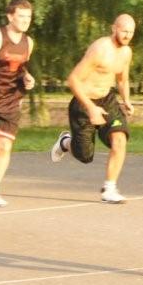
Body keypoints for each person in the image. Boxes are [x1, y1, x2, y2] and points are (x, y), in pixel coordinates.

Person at [49, 14, 135, 204]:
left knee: (120, 140)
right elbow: (73, 79)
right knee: (84, 155)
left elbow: (122, 79)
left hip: (107, 99)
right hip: (84, 102)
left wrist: (126, 100)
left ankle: (109, 189)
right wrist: (91, 108)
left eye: (131, 32)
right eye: (124, 31)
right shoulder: (100, 49)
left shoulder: (126, 52)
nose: (127, 35)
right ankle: (65, 142)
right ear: (114, 28)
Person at [0, 0, 35, 207]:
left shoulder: (29, 42)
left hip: (10, 101)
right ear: (10, 17)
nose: (25, 21)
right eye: (21, 16)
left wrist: (27, 78)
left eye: (29, 17)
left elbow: (20, 68)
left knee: (4, 146)